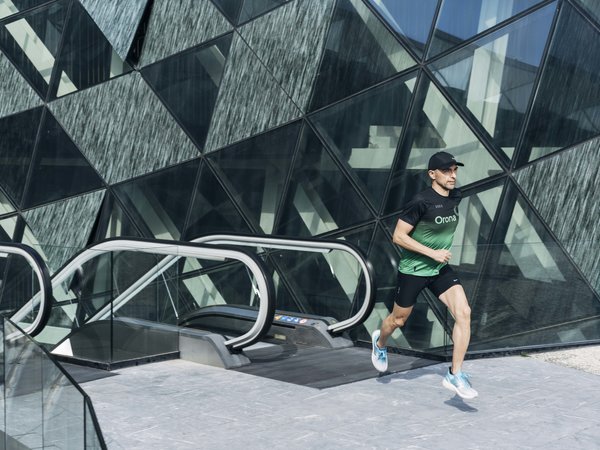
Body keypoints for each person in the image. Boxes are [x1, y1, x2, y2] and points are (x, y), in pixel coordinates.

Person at [371, 151, 478, 399]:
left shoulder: (456, 196)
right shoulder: (420, 201)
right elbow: (398, 236)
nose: (452, 175)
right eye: (446, 171)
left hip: (439, 269)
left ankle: (455, 374)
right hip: (414, 270)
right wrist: (432, 252)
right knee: (398, 320)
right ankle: (379, 343)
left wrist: (436, 257)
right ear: (432, 174)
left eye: (454, 170)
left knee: (464, 313)